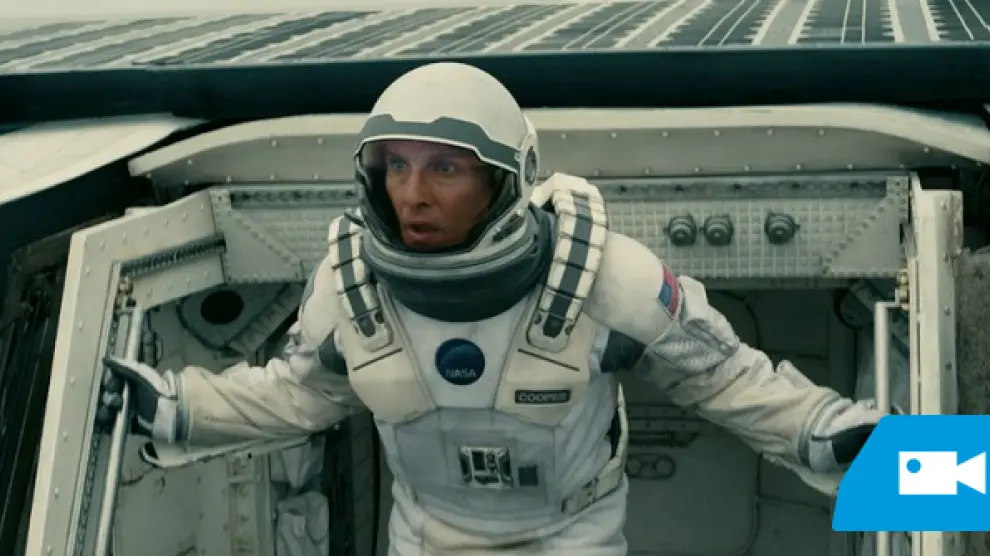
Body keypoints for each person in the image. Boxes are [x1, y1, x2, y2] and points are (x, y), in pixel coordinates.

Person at [99, 62, 882, 555]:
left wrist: (831, 438)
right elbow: (299, 394)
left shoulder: (606, 280)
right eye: (395, 167)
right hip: (426, 537)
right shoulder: (349, 288)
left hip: (573, 536)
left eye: (445, 168)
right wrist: (174, 410)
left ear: (507, 179)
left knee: (936, 475)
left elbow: (725, 378)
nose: (412, 195)